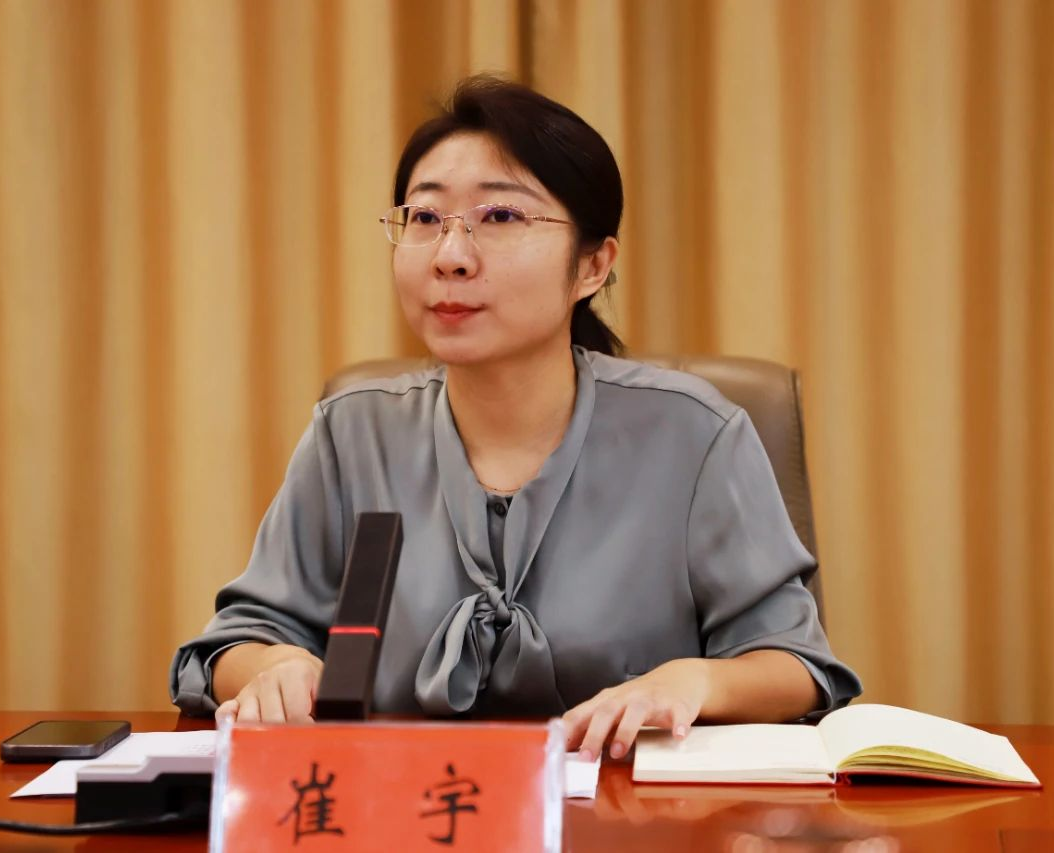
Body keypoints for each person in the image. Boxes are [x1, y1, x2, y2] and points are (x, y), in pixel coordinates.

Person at [170, 76, 861, 763]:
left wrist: (692, 681)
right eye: (425, 218)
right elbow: (232, 644)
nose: (451, 256)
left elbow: (796, 666)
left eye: (501, 217)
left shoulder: (695, 435)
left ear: (592, 264)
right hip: (402, 807)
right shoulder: (352, 435)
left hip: (630, 810)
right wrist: (275, 667)